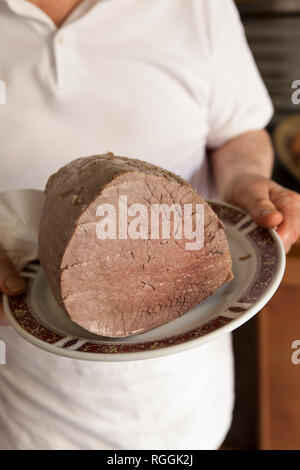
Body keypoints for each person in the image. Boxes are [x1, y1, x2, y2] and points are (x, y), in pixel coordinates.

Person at [0, 0, 299, 450]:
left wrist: (246, 178)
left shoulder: (196, 6)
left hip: (188, 401)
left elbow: (237, 130)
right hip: (33, 412)